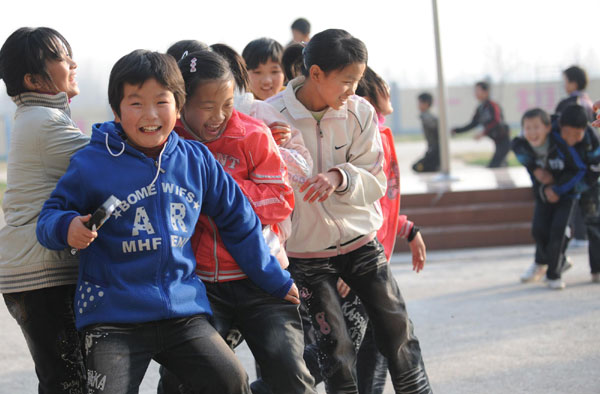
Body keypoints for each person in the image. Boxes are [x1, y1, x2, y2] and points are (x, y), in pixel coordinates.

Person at [36, 49, 300, 394]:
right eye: (135, 103)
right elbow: (48, 218)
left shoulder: (196, 160)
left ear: (178, 106)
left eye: (161, 102)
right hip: (113, 317)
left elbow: (239, 221)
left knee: (231, 382)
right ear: (116, 110)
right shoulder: (91, 163)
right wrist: (67, 227)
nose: (150, 115)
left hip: (181, 312)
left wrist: (275, 279)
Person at [266, 28, 432, 393]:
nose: (352, 90)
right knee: (335, 349)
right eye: (347, 81)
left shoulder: (360, 113)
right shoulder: (272, 116)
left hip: (361, 244)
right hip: (306, 254)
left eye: (357, 80)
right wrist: (267, 144)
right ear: (316, 74)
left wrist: (339, 176)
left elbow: (375, 179)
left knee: (398, 332)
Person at [158, 48, 316, 394]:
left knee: (291, 378)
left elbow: (280, 200)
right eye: (207, 106)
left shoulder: (253, 134)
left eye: (227, 104)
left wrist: (220, 191)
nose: (219, 117)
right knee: (181, 381)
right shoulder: (169, 144)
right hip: (199, 286)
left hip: (262, 279)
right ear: (182, 102)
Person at [0, 27, 89, 393]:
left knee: (65, 380)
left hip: (34, 271)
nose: (73, 64)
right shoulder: (43, 121)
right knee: (68, 383)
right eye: (61, 58)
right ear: (34, 79)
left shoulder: (40, 116)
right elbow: (109, 161)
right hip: (40, 276)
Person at [512, 106, 590, 289]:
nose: (532, 132)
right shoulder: (522, 144)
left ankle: (554, 275)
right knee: (538, 229)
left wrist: (558, 189)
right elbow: (515, 146)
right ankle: (558, 261)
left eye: (536, 127)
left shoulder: (560, 144)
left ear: (548, 128)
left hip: (566, 194)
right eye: (527, 128)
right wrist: (535, 169)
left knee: (558, 232)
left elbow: (579, 169)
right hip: (544, 194)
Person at [555, 65, 595, 248]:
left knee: (574, 195)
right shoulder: (590, 102)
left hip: (573, 158)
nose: (564, 85)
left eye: (565, 81)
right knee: (588, 197)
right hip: (591, 157)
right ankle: (584, 236)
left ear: (573, 82)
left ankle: (577, 236)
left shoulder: (569, 104)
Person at [452, 81, 511, 168]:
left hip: (504, 140)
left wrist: (483, 133)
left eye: (478, 90)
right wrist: (457, 130)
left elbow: (496, 120)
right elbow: (473, 123)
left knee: (494, 166)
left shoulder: (492, 105)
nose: (475, 93)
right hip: (497, 142)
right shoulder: (480, 108)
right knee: (500, 166)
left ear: (486, 92)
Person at [412, 92, 440, 172]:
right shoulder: (428, 116)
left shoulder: (427, 117)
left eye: (420, 102)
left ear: (426, 103)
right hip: (432, 150)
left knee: (417, 167)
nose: (418, 105)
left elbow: (435, 128)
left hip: (435, 151)